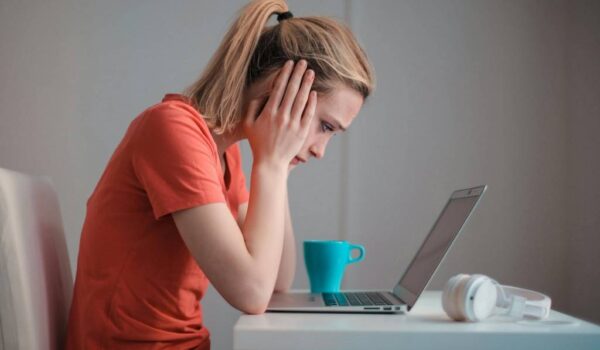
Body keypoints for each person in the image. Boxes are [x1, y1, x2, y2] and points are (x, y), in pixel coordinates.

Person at [66, 0, 374, 348]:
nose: (321, 149)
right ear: (281, 90)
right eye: (324, 126)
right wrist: (270, 164)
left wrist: (279, 167)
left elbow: (276, 281)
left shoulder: (225, 153)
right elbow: (252, 293)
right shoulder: (172, 129)